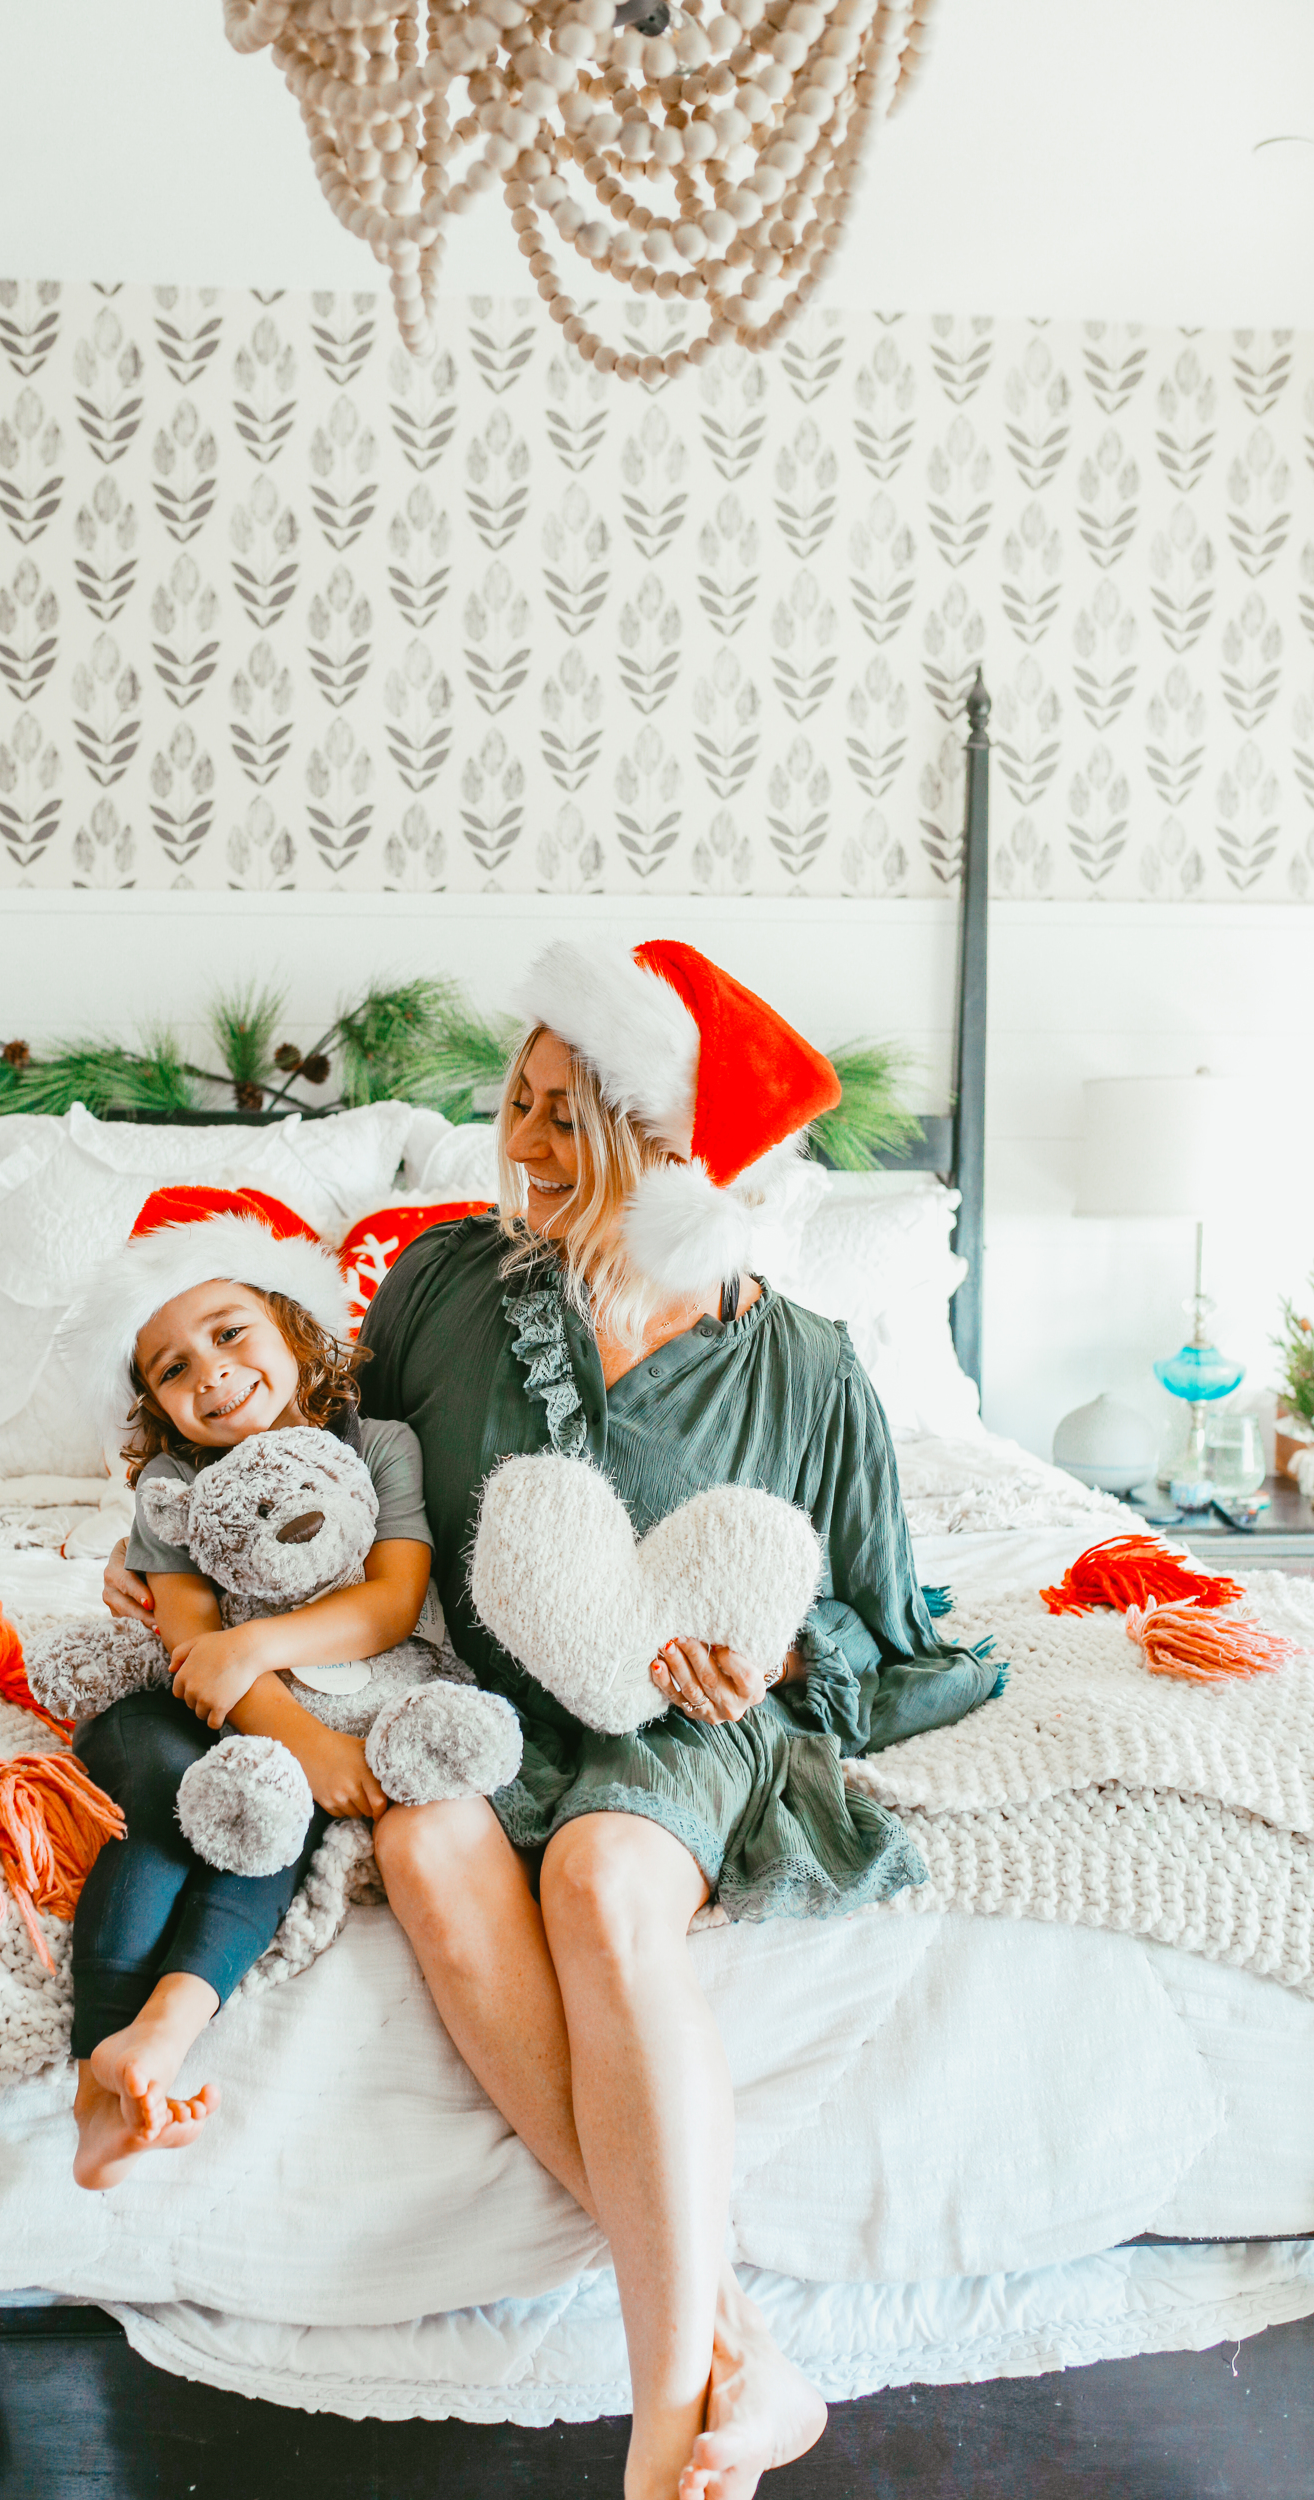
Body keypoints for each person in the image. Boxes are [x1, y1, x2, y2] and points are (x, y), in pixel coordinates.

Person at [102, 943, 1001, 2499]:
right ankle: (737, 2349)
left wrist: (774, 1658)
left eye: (552, 1114)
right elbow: (321, 1466)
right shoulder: (451, 1285)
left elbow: (885, 1621)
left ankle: (663, 2443)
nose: (507, 1142)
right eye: (509, 1100)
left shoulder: (805, 1370)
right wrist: (173, 1567)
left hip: (675, 1725)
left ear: (665, 1148)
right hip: (469, 1698)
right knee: (435, 1844)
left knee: (595, 1878)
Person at [67, 1185, 437, 2191]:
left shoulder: (379, 1447)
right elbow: (192, 1646)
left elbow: (390, 1603)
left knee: (262, 1822)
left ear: (291, 1321)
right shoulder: (170, 1490)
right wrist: (300, 1741)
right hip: (188, 1716)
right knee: (169, 1785)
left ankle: (155, 2036)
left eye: (230, 1332)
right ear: (151, 1401)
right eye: (172, 1367)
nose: (212, 1373)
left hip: (290, 1709)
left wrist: (263, 1655)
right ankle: (96, 2076)